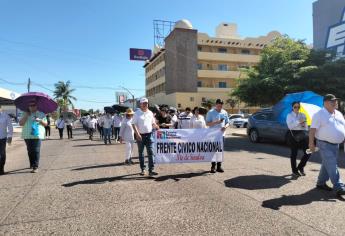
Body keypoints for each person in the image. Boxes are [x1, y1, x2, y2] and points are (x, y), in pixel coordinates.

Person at [309, 94, 345, 196]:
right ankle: (339, 187)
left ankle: (320, 183)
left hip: (336, 145)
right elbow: (312, 130)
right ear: (325, 103)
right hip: (324, 144)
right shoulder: (319, 114)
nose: (335, 103)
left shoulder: (338, 113)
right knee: (332, 165)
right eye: (332, 101)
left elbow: (343, 127)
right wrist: (311, 143)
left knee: (327, 164)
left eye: (336, 101)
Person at [132, 97, 160, 176]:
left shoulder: (150, 113)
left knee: (150, 153)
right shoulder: (137, 113)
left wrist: (156, 126)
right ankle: (143, 169)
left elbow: (153, 123)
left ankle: (151, 170)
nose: (145, 104)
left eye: (146, 103)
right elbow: (133, 124)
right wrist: (137, 134)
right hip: (140, 136)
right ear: (140, 104)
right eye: (143, 103)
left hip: (149, 135)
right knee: (141, 153)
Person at [19, 101, 47, 173]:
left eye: (33, 105)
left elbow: (46, 124)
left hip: (37, 135)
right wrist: (26, 116)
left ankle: (35, 166)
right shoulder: (24, 113)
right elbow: (21, 124)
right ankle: (32, 163)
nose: (32, 107)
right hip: (27, 135)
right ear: (28, 106)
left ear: (36, 106)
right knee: (30, 150)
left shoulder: (41, 113)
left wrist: (40, 120)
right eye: (30, 106)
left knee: (36, 150)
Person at [286, 101, 311, 176]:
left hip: (302, 134)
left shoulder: (302, 115)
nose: (297, 108)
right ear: (292, 107)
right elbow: (290, 126)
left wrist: (304, 125)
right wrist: (298, 122)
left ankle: (300, 167)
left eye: (298, 107)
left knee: (308, 152)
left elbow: (306, 127)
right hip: (293, 135)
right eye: (295, 107)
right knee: (294, 153)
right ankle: (294, 171)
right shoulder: (289, 115)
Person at [206, 99, 229, 173]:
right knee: (213, 151)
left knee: (220, 151)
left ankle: (219, 166)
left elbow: (228, 122)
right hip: (213, 135)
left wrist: (225, 127)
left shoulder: (224, 112)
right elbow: (207, 124)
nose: (220, 107)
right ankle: (213, 166)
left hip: (222, 135)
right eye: (218, 105)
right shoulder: (210, 112)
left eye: (221, 105)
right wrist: (217, 122)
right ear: (216, 105)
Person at [0, 106, 13, 175]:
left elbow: (10, 127)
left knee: (2, 154)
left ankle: (1, 169)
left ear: (1, 108)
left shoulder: (5, 116)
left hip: (2, 138)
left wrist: (10, 137)